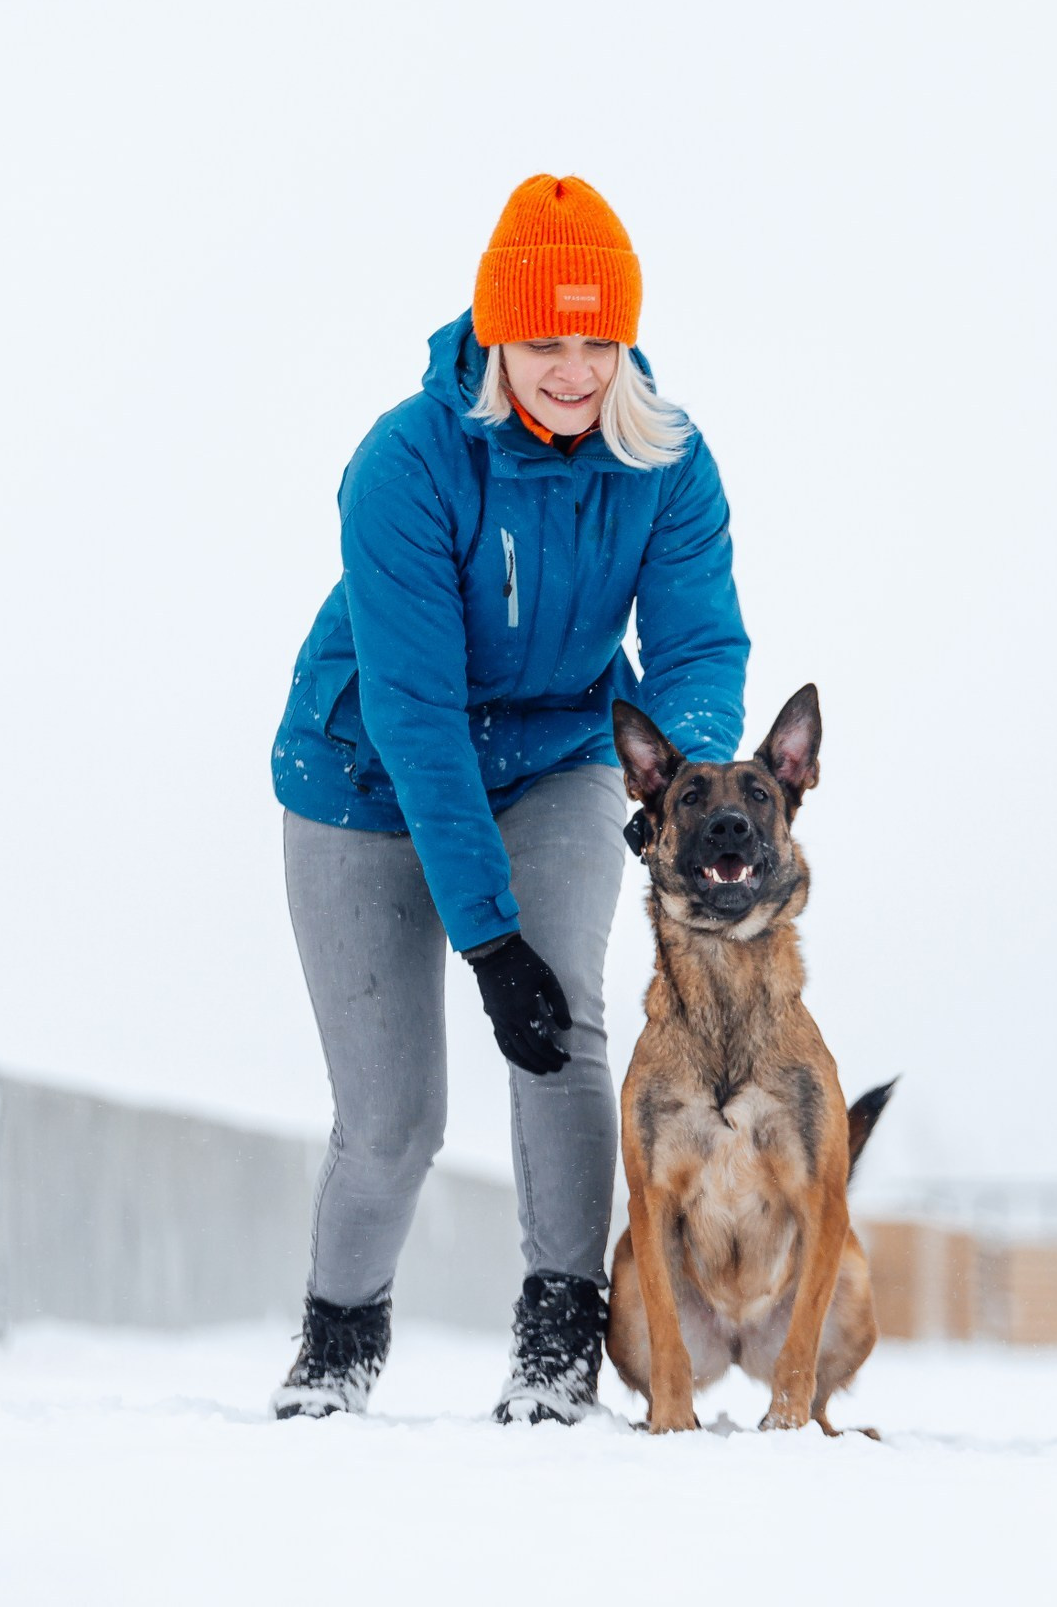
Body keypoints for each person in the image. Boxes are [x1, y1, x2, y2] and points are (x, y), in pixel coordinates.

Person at [268, 175, 749, 1422]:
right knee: (393, 1118)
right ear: (495, 332)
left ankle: (557, 1336)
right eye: (545, 340)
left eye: (600, 339)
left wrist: (679, 788)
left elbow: (697, 650)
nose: (575, 370)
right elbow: (417, 713)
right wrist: (486, 936)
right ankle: (337, 1338)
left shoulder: (667, 461)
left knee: (564, 1023)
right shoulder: (405, 465)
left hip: (557, 754)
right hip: (368, 773)